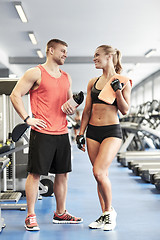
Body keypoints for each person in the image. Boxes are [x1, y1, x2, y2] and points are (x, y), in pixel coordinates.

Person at [10, 39, 83, 231]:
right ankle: (31, 216)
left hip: (62, 132)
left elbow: (68, 105)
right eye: (62, 51)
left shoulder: (67, 76)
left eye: (67, 51)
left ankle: (60, 213)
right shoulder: (35, 73)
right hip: (42, 132)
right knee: (35, 174)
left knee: (62, 174)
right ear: (50, 50)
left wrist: (72, 106)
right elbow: (15, 95)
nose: (66, 54)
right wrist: (27, 118)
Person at [76, 45, 132, 231]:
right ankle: (104, 214)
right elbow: (86, 110)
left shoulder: (123, 80)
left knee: (99, 172)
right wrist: (80, 133)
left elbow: (124, 110)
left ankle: (109, 214)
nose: (94, 59)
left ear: (109, 56)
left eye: (97, 55)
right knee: (100, 176)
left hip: (111, 132)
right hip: (92, 132)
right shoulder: (93, 82)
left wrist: (117, 91)